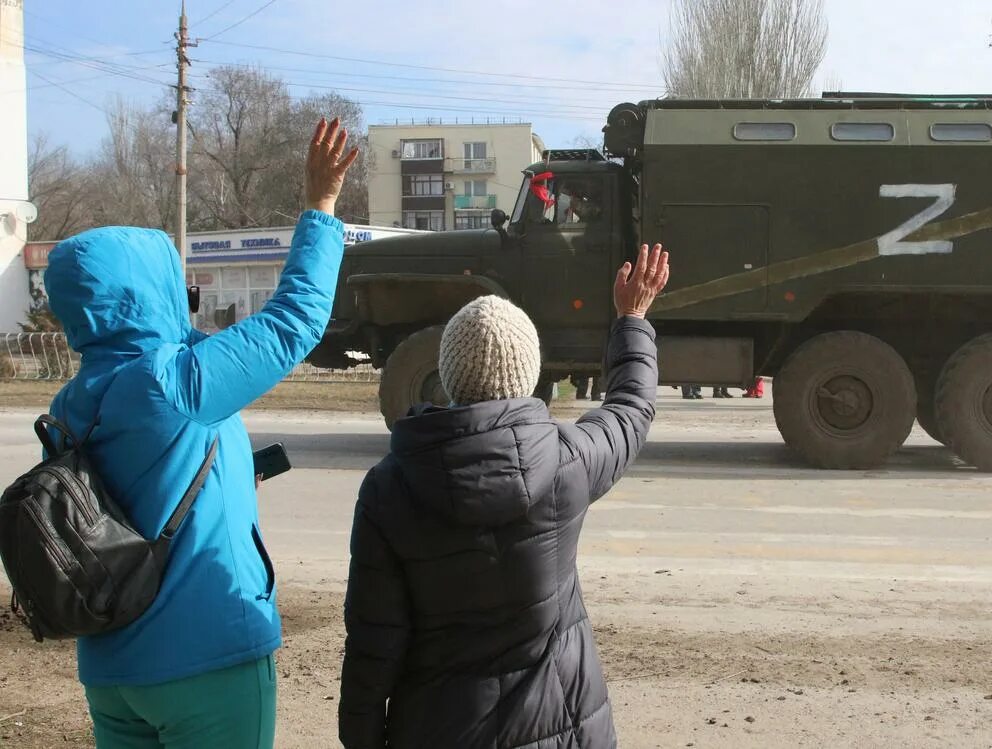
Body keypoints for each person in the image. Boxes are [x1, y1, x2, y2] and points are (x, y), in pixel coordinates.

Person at [43, 118, 358, 748]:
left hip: (111, 671)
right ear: (149, 292)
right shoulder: (170, 381)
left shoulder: (68, 404)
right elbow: (294, 321)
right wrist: (321, 207)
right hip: (206, 659)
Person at [338, 245, 670, 748]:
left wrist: (362, 737)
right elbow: (630, 407)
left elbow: (372, 641)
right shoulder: (567, 462)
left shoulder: (389, 489)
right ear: (527, 374)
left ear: (449, 376)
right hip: (561, 726)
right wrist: (633, 318)